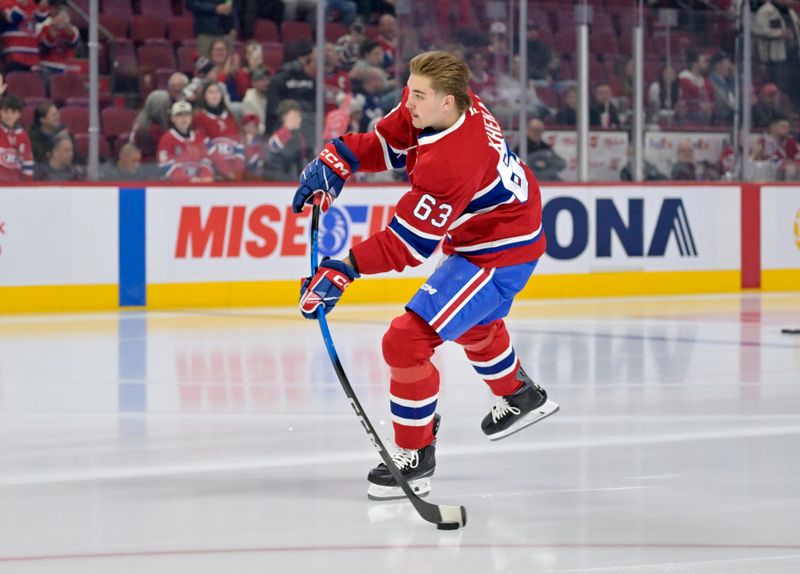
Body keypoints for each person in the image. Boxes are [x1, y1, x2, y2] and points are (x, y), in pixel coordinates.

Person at [292, 51, 559, 500]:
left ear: (449, 103)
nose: (410, 102)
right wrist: (339, 158)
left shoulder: (453, 161)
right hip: (490, 231)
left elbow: (408, 245)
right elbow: (391, 140)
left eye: (419, 96)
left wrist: (344, 270)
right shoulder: (441, 103)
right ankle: (520, 396)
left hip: (500, 250)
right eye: (410, 91)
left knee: (406, 341)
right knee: (475, 322)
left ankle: (416, 458)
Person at [193, 80, 245, 181]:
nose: (215, 95)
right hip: (212, 170)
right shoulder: (199, 118)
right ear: (204, 96)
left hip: (233, 171)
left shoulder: (230, 117)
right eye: (211, 92)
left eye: (217, 92)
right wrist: (226, 171)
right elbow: (205, 147)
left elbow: (239, 145)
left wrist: (238, 171)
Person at [157, 100, 215, 182]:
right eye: (179, 115)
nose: (184, 118)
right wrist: (188, 180)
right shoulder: (166, 139)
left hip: (199, 184)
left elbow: (207, 160)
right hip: (175, 188)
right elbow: (166, 166)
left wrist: (205, 176)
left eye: (187, 115)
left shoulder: (199, 137)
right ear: (173, 118)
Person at [264, 99, 307, 181]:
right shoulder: (277, 138)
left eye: (299, 116)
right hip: (281, 183)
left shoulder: (300, 137)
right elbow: (275, 167)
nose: (299, 119)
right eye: (295, 116)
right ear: (284, 117)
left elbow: (302, 163)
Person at [0, 0, 48, 73]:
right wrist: (22, 4)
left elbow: (39, 18)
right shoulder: (4, 2)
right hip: (14, 52)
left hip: (32, 52)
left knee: (31, 81)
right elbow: (12, 18)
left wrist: (43, 5)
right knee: (15, 80)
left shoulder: (31, 2)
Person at [37, 6, 80, 74]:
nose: (61, 19)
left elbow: (74, 44)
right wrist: (52, 33)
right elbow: (43, 49)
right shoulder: (44, 28)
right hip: (46, 66)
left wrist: (66, 28)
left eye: (64, 17)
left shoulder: (73, 30)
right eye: (58, 16)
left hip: (63, 66)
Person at [0, 94, 33, 181]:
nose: (9, 115)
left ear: (19, 114)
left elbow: (27, 163)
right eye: (5, 111)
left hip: (15, 185)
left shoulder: (23, 136)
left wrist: (28, 186)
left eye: (13, 112)